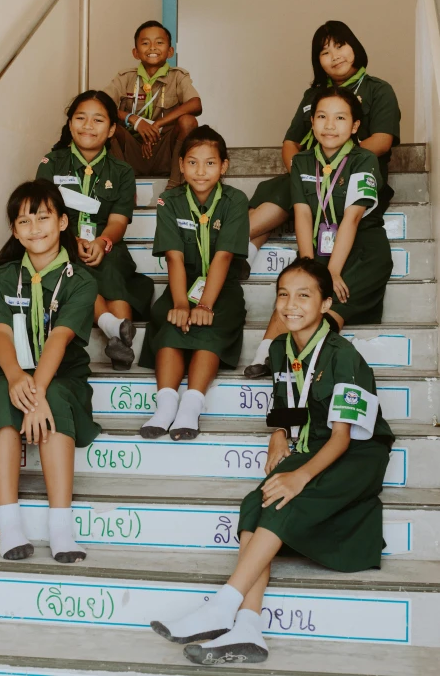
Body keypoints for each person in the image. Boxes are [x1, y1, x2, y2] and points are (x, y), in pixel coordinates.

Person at [149, 258, 394, 665]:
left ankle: (222, 604)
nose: (290, 305)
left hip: (355, 454)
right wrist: (278, 434)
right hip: (310, 444)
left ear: (325, 303)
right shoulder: (281, 348)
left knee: (283, 499)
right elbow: (286, 405)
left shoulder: (342, 356)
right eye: (283, 294)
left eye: (304, 295)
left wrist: (299, 477)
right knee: (253, 504)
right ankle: (248, 626)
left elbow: (342, 438)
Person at [0, 180, 101, 563]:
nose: (34, 227)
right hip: (10, 368)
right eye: (24, 220)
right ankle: (10, 523)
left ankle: (60, 526)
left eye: (43, 217)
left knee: (52, 397)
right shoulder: (1, 278)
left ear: (64, 222)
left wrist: (35, 394)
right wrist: (18, 378)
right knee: (4, 398)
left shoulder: (81, 281)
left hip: (63, 372)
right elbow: (2, 335)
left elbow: (59, 340)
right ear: (14, 230)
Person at [245, 86, 393, 378]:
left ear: (355, 126)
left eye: (340, 118)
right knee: (301, 287)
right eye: (322, 116)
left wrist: (331, 272)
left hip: (362, 250)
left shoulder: (364, 160)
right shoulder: (301, 161)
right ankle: (265, 354)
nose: (329, 125)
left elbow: (351, 220)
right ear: (311, 122)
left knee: (328, 300)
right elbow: (302, 212)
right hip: (321, 246)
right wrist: (307, 263)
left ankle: (298, 355)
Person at [247, 20, 400, 269]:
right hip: (314, 172)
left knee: (294, 191)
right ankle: (245, 249)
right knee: (288, 189)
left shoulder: (378, 89)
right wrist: (302, 172)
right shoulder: (312, 96)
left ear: (355, 48)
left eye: (340, 46)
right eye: (325, 52)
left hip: (355, 176)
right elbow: (290, 142)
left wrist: (337, 165)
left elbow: (382, 141)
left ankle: (226, 241)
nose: (334, 56)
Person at [138, 125, 249, 441]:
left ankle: (191, 403)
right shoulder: (169, 200)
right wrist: (182, 304)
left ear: (224, 166)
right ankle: (166, 403)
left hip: (220, 288)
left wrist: (204, 304)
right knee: (171, 326)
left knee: (208, 330)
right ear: (181, 164)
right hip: (181, 285)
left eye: (210, 163)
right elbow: (173, 257)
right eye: (193, 162)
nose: (201, 171)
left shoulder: (235, 200)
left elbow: (223, 257)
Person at [37, 90, 154, 370]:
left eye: (98, 120)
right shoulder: (51, 164)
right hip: (61, 243)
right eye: (81, 118)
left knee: (111, 270)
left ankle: (116, 337)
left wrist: (102, 242)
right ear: (69, 123)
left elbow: (118, 222)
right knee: (75, 267)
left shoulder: (122, 171)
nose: (88, 126)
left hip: (107, 243)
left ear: (112, 128)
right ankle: (117, 333)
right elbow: (44, 215)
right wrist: (72, 240)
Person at [103, 20, 202, 189]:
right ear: (135, 52)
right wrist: (134, 119)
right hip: (132, 149)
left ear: (170, 51)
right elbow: (101, 105)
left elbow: (196, 104)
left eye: (159, 42)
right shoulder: (125, 77)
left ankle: (175, 184)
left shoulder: (178, 77)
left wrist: (157, 125)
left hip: (166, 150)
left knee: (188, 121)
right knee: (107, 125)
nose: (152, 47)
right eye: (145, 43)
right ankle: (124, 186)